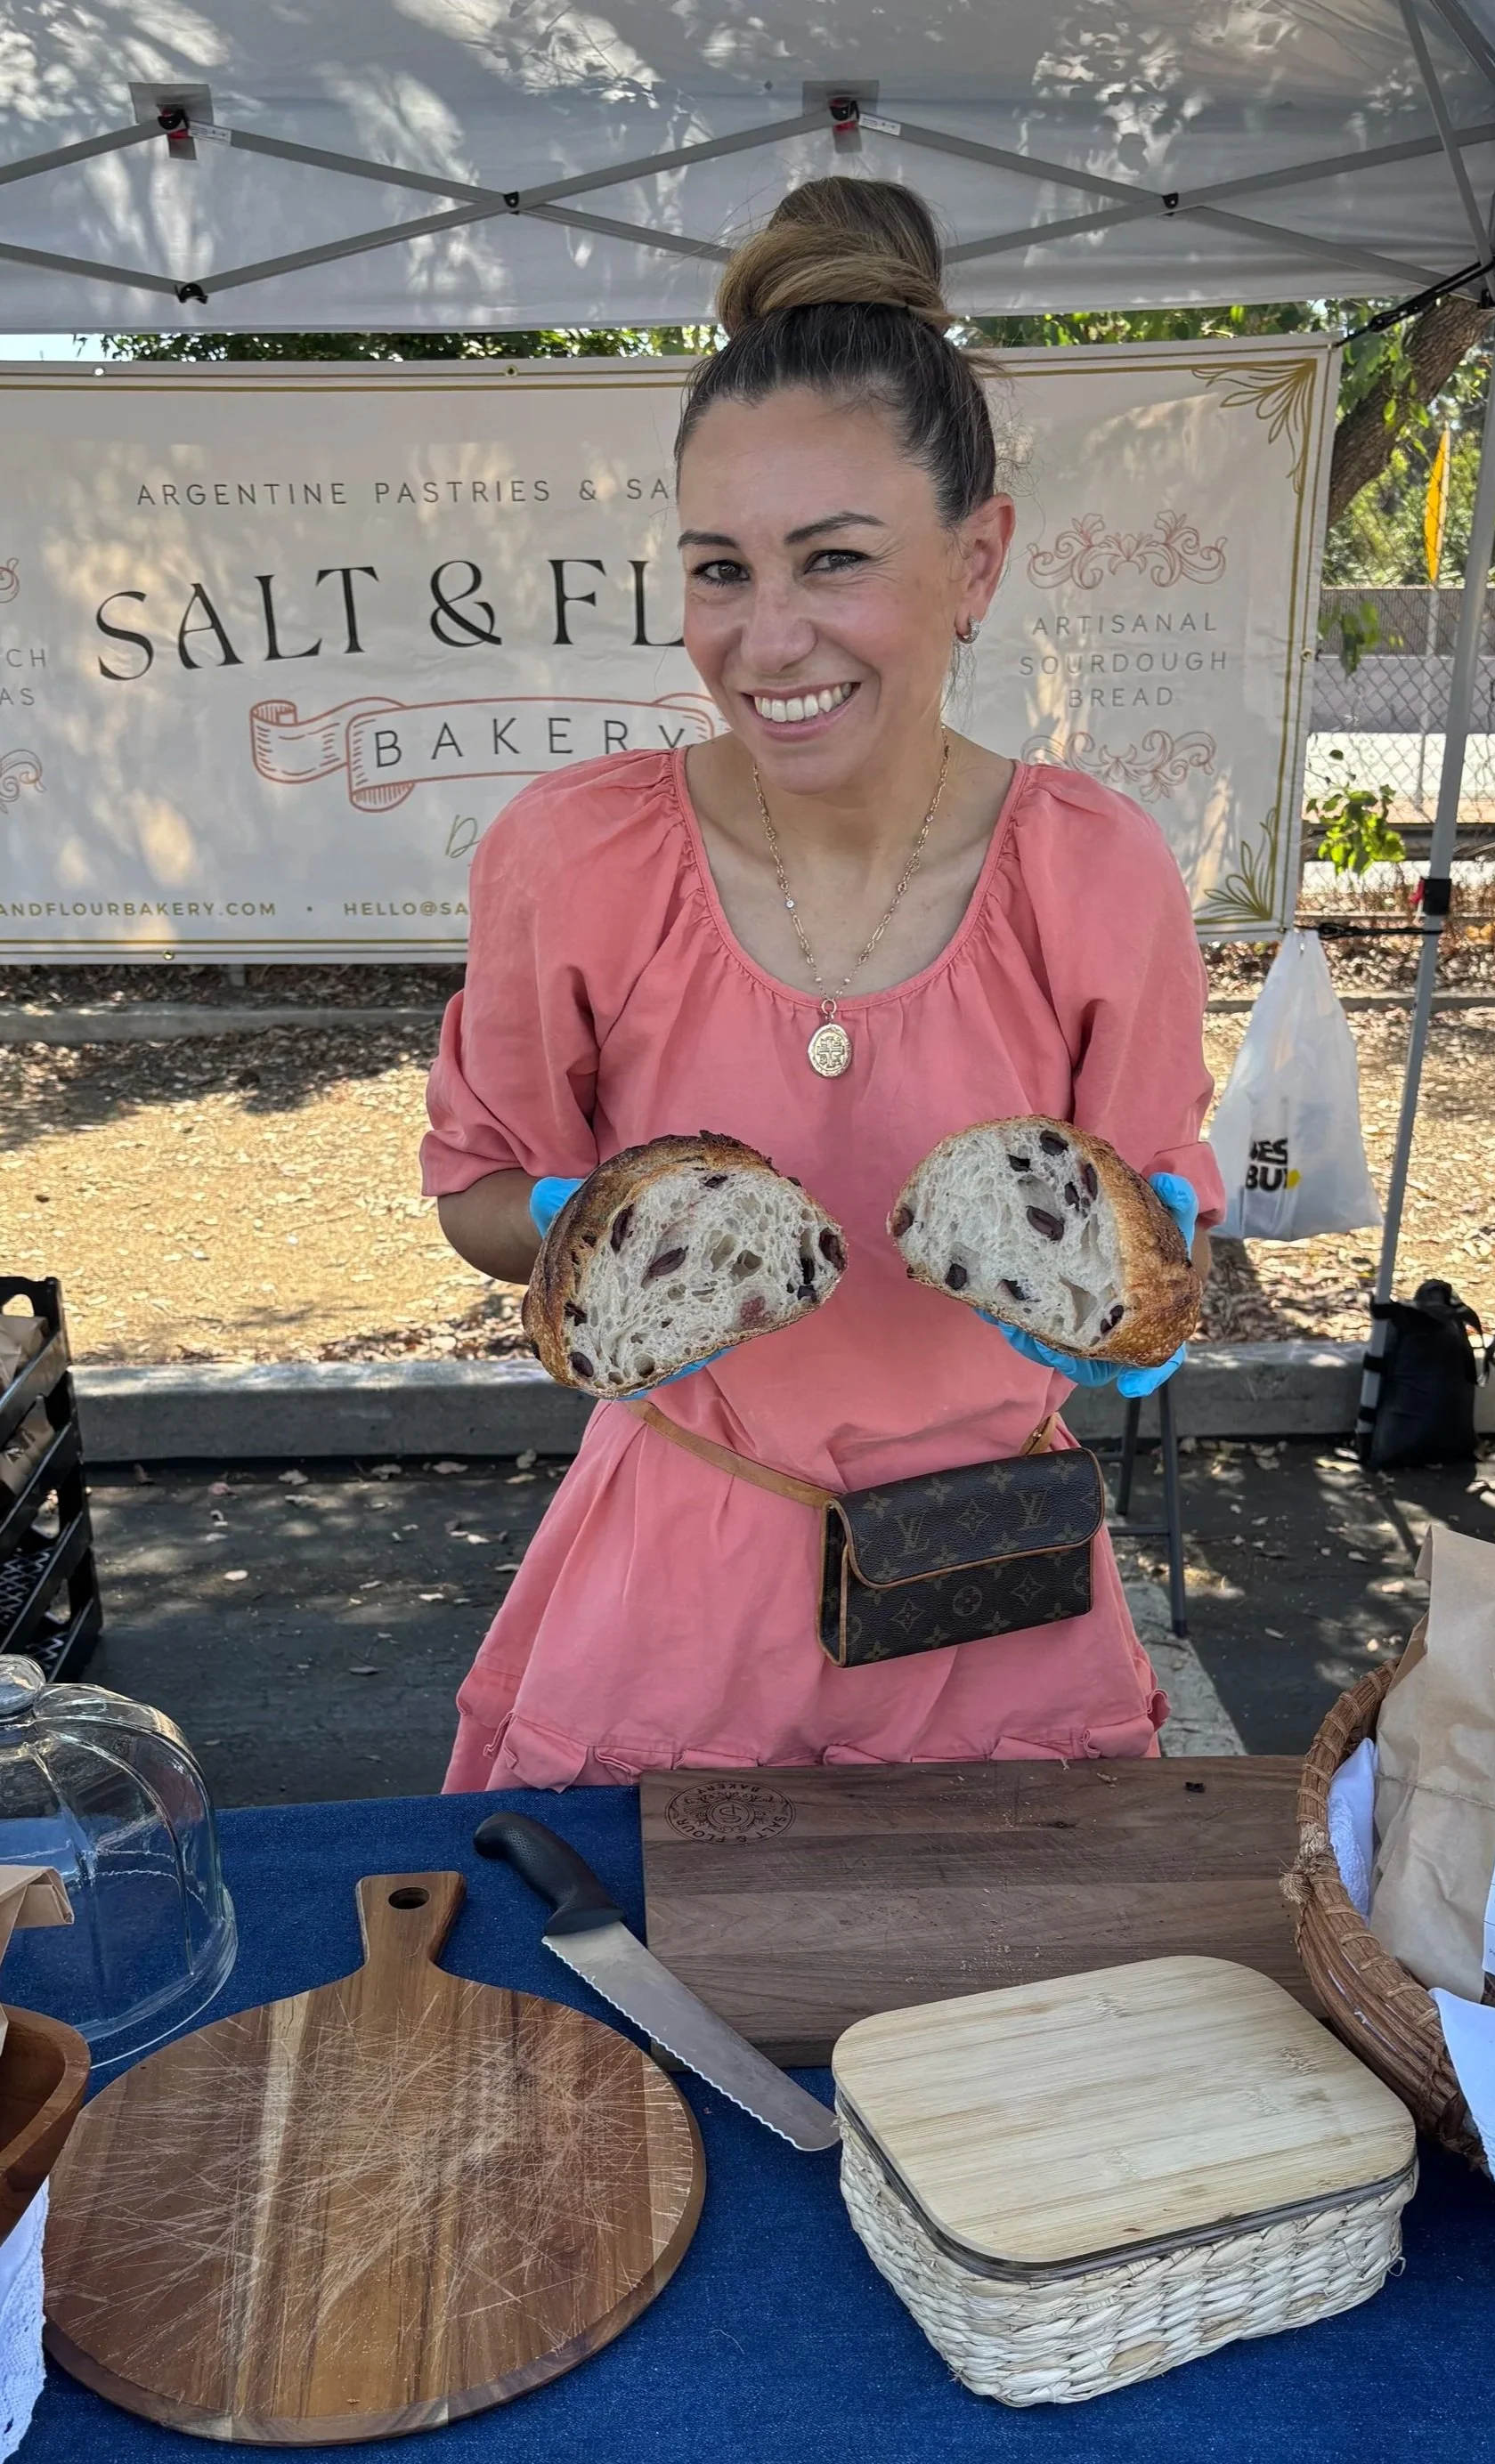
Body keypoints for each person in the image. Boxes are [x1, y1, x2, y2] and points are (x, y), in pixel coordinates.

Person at [422, 176, 1223, 1791]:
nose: (765, 639)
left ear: (977, 562)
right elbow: (478, 1186)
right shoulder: (571, 856)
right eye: (719, 570)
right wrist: (603, 1224)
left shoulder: (1096, 870)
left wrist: (1137, 1297)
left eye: (833, 561)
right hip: (679, 1575)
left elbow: (1150, 1232)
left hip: (990, 1576)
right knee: (624, 2030)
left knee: (1015, 2028)